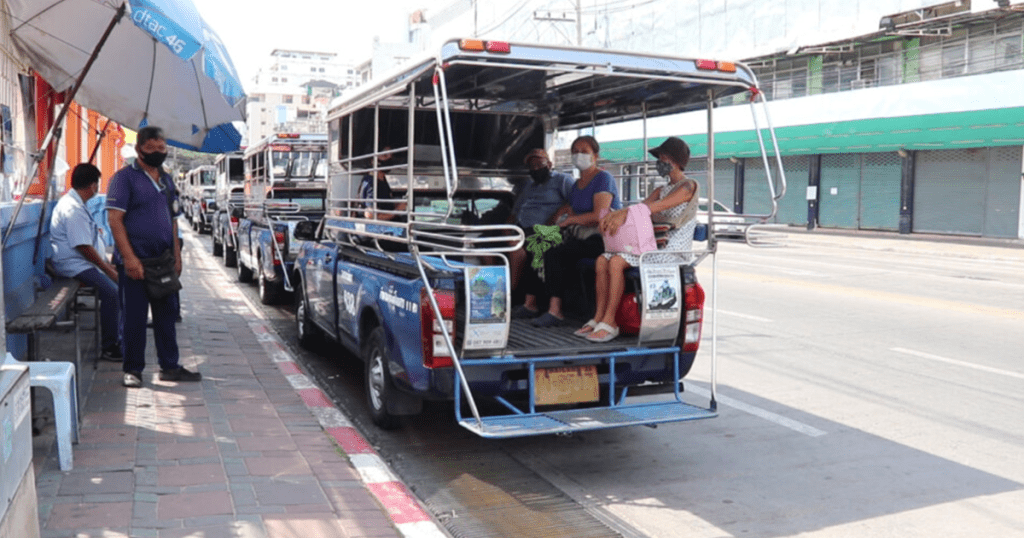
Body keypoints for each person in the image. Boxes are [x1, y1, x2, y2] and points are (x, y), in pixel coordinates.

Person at [107, 126, 200, 388]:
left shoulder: (166, 180)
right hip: (135, 262)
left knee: (166, 315)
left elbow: (173, 220)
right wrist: (129, 258)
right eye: (151, 148)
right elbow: (115, 220)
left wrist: (177, 255)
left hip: (163, 260)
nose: (157, 153)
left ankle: (170, 366)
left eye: (162, 149)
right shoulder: (124, 179)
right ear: (139, 149)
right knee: (135, 318)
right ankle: (133, 370)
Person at [580, 136, 698, 342]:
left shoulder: (688, 187)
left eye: (664, 158)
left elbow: (654, 207)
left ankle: (610, 322)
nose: (660, 162)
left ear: (677, 160)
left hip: (670, 249)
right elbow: (639, 206)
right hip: (653, 244)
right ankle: (598, 317)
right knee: (602, 259)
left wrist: (624, 214)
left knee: (616, 262)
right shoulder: (660, 189)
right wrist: (615, 214)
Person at [525, 135, 622, 327]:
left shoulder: (603, 178)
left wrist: (569, 221)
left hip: (601, 238)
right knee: (535, 242)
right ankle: (531, 303)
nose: (579, 155)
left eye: (584, 151)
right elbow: (569, 207)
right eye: (575, 152)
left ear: (595, 155)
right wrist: (554, 221)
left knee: (556, 253)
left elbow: (598, 216)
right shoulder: (577, 184)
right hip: (580, 233)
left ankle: (556, 310)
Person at [49, 163, 122, 361]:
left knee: (121, 282)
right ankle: (110, 346)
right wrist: (107, 270)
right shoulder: (73, 209)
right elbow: (84, 248)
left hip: (82, 263)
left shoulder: (77, 204)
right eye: (96, 184)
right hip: (75, 266)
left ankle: (121, 335)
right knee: (112, 293)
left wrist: (109, 267)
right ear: (91, 185)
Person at [507, 148, 574, 302]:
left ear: (549, 164)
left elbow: (573, 204)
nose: (536, 169)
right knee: (486, 244)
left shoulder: (562, 180)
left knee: (516, 248)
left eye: (539, 164)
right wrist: (507, 228)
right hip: (520, 228)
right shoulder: (528, 186)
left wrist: (555, 217)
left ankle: (513, 295)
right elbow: (514, 211)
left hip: (545, 228)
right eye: (532, 166)